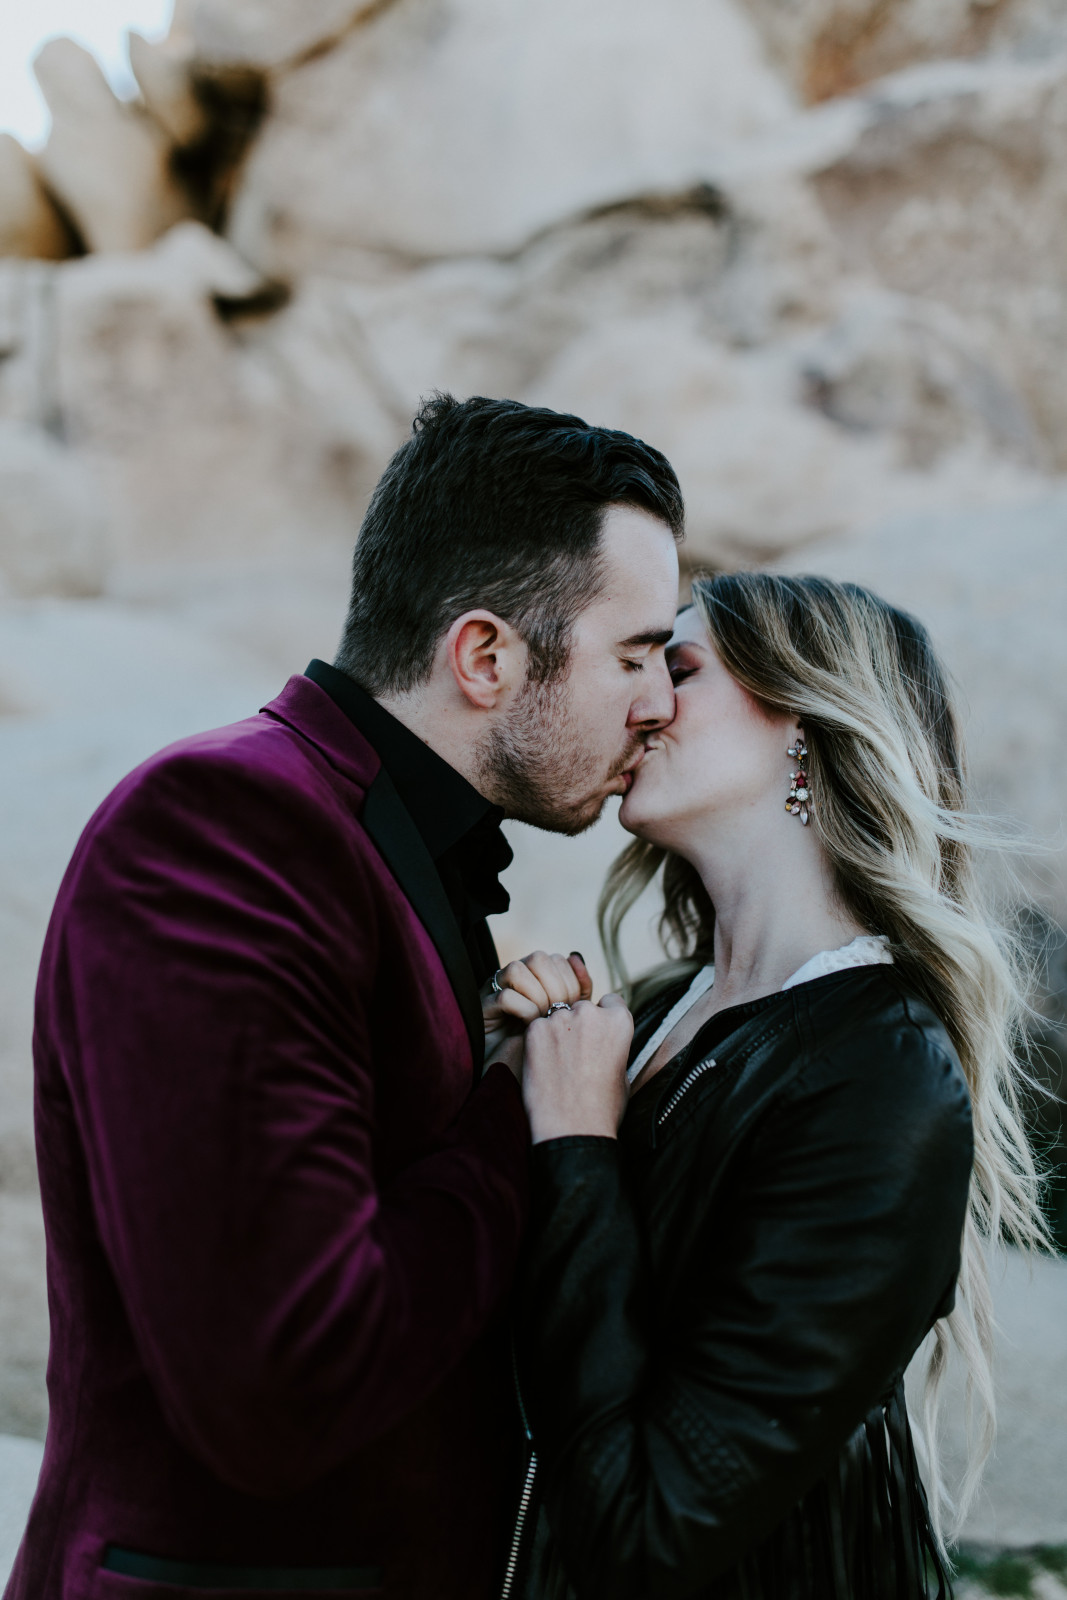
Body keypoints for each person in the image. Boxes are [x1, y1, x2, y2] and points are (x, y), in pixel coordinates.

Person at [7, 395, 684, 1600]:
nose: (658, 703)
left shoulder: (369, 842)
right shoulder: (222, 833)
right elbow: (284, 1376)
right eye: (631, 654)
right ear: (485, 656)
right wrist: (521, 1110)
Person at [487, 573, 1049, 1600]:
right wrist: (520, 1078)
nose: (640, 700)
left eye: (680, 667)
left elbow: (649, 1532)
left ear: (804, 717)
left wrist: (575, 1141)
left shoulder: (878, 1072)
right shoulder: (653, 1011)